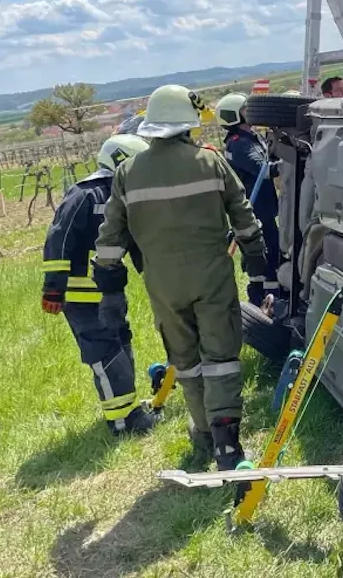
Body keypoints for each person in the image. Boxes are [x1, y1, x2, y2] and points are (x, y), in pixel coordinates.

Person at [92, 84, 271, 477]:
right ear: (188, 123)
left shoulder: (127, 172)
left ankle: (203, 432)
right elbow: (244, 217)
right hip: (211, 278)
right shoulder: (210, 163)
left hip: (163, 286)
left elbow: (110, 237)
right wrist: (256, 262)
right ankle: (227, 444)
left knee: (186, 362)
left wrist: (107, 284)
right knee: (220, 358)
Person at [41, 133, 156, 436]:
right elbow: (58, 240)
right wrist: (53, 289)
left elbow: (137, 243)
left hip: (109, 290)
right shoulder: (83, 194)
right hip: (80, 294)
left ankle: (130, 409)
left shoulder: (123, 196)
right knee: (103, 351)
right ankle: (122, 423)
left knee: (121, 341)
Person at [216, 92, 281, 301]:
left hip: (265, 205)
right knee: (264, 255)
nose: (250, 113)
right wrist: (294, 163)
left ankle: (271, 293)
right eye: (245, 110)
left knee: (272, 251)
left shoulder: (252, 137)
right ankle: (262, 298)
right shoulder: (239, 144)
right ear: (235, 116)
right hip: (254, 208)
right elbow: (264, 169)